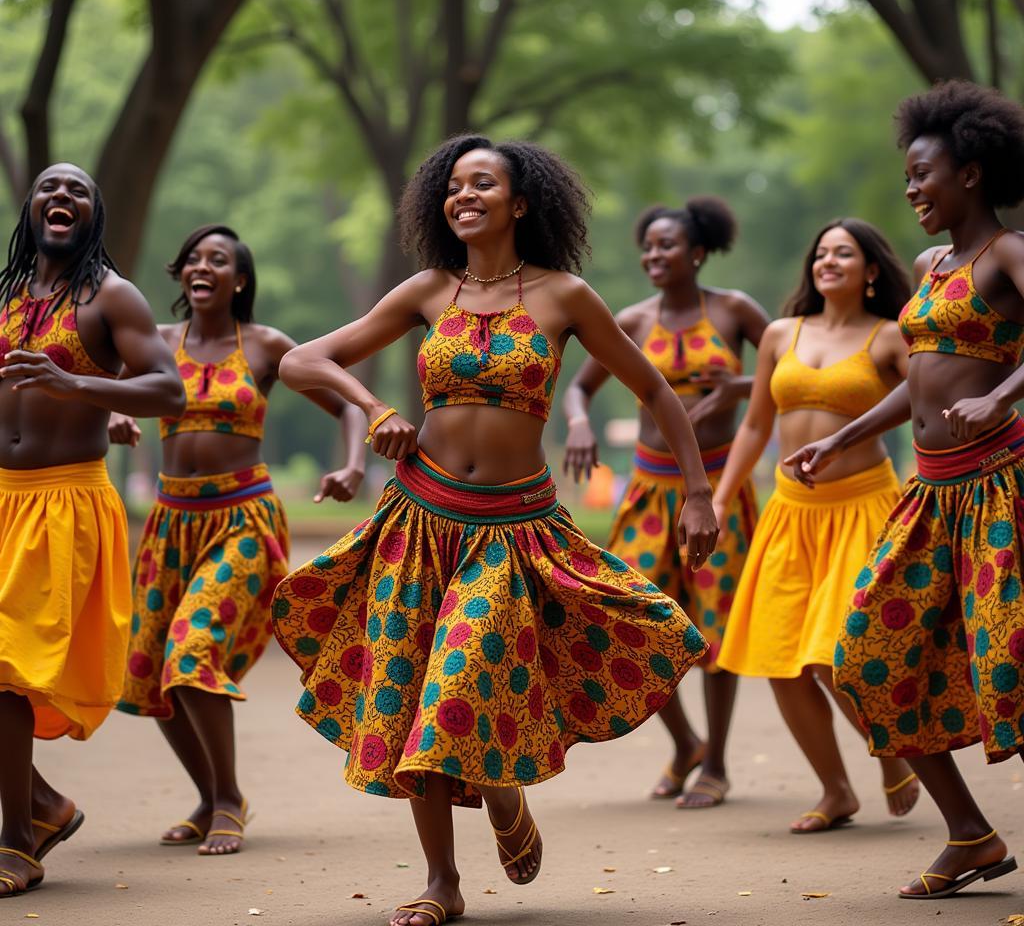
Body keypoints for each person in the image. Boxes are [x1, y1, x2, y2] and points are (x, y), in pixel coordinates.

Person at [271, 135, 717, 926]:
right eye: (452, 185)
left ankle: (503, 788)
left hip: (515, 530)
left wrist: (698, 495)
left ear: (520, 203)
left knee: (454, 685)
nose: (463, 194)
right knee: (416, 694)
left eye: (484, 183)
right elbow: (303, 362)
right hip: (422, 519)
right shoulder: (426, 291)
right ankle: (441, 881)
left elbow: (653, 388)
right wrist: (373, 410)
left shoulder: (564, 296)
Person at [788, 81, 1024, 898]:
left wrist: (1002, 393)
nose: (913, 191)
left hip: (999, 490)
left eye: (925, 175)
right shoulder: (931, 267)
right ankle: (971, 837)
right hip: (929, 496)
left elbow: (990, 373)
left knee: (1009, 670)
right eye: (908, 178)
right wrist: (843, 435)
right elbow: (918, 380)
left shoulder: (1008, 255)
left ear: (974, 172)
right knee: (868, 659)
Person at [109, 224, 366, 856]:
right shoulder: (156, 344)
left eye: (217, 259)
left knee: (192, 652)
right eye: (193, 257)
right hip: (171, 521)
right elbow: (110, 390)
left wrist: (353, 464)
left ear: (239, 279)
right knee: (148, 671)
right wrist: (114, 410)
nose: (202, 266)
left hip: (242, 519)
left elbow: (350, 403)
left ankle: (227, 801)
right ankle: (209, 795)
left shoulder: (265, 345)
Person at [0, 163, 185, 897]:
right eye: (51, 187)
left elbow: (167, 388)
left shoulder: (112, 297)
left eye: (78, 191)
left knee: (7, 668)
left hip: (64, 503)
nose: (63, 198)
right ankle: (44, 804)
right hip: (2, 499)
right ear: (31, 206)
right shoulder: (8, 294)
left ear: (93, 216)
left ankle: (16, 840)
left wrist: (80, 384)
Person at [712, 218, 922, 833]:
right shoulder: (781, 334)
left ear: (872, 270)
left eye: (845, 253)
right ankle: (836, 792)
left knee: (837, 653)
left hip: (863, 507)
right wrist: (722, 499)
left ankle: (895, 753)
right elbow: (755, 427)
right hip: (788, 513)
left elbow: (926, 398)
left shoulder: (889, 337)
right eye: (822, 252)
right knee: (781, 659)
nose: (828, 261)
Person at [563, 199, 768, 808]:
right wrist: (579, 421)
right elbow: (579, 385)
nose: (655, 256)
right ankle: (685, 744)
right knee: (629, 620)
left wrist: (739, 384)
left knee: (715, 629)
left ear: (698, 251)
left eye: (668, 245)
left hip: (719, 485)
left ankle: (718, 765)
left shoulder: (734, 310)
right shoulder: (631, 318)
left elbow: (791, 373)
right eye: (648, 247)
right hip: (651, 490)